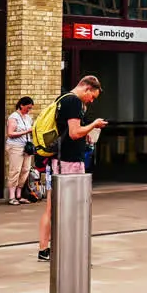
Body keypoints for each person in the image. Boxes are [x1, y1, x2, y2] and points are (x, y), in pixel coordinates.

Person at [38, 76, 107, 262]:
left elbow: (68, 132)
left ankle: (44, 249)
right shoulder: (74, 101)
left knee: (52, 207)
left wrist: (86, 135)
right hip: (67, 162)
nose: (91, 101)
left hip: (58, 160)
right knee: (70, 207)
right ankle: (67, 249)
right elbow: (74, 132)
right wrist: (93, 125)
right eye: (92, 96)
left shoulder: (62, 99)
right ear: (86, 88)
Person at [4, 97, 35, 205]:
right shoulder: (14, 117)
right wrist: (27, 131)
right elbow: (10, 133)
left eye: (30, 108)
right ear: (21, 105)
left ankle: (19, 194)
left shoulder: (27, 117)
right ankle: (12, 196)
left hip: (26, 147)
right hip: (15, 146)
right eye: (27, 107)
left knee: (25, 170)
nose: (28, 110)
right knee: (15, 170)